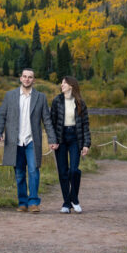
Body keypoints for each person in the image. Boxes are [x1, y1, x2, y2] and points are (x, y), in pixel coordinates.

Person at [0, 68, 57, 213]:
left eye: (30, 77)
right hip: (15, 141)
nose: (27, 79)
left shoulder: (40, 97)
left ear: (34, 80)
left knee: (34, 170)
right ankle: (22, 202)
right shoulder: (10, 96)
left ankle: (33, 202)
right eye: (25, 76)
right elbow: (1, 115)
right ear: (20, 78)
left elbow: (46, 120)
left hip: (32, 141)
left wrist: (52, 139)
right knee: (20, 173)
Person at [49, 76, 91, 214]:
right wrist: (52, 140)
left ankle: (74, 198)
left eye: (64, 83)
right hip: (60, 138)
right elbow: (51, 123)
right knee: (62, 172)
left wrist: (86, 144)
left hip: (75, 138)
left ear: (71, 86)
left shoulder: (80, 103)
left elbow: (85, 125)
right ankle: (66, 203)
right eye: (61, 83)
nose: (62, 85)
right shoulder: (57, 101)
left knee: (73, 170)